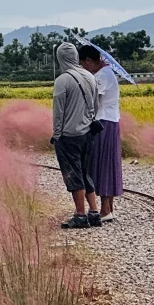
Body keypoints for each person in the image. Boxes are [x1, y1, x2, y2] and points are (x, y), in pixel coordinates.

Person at [51, 41, 99, 228]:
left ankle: (80, 215)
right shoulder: (89, 76)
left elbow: (58, 112)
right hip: (88, 133)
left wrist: (56, 135)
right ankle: (94, 212)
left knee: (73, 174)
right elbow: (95, 105)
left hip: (69, 135)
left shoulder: (62, 80)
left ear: (60, 59)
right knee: (85, 172)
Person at [82, 45, 123, 221]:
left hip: (102, 122)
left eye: (83, 64)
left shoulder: (101, 77)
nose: (83, 68)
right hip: (110, 121)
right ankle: (108, 208)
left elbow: (95, 102)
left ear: (89, 61)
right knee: (107, 163)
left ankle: (106, 210)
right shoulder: (107, 73)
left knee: (102, 164)